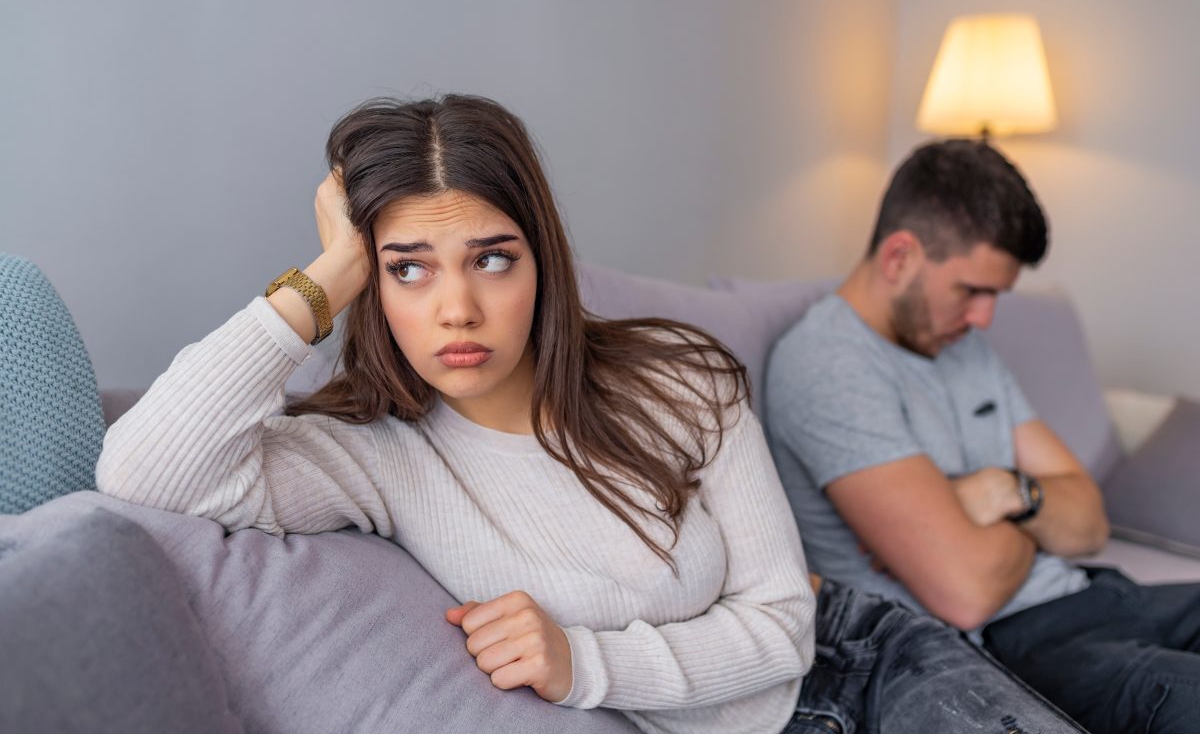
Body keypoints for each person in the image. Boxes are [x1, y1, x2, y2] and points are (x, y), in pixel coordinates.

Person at [97, 98, 1082, 734]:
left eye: (492, 257)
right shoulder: (367, 454)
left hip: (859, 663)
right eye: (408, 269)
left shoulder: (682, 378)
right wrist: (326, 279)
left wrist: (587, 665)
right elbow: (142, 472)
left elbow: (786, 626)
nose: (456, 309)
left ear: (542, 263)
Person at [765, 137, 1200, 734]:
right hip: (1017, 648)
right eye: (972, 290)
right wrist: (1039, 523)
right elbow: (966, 591)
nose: (985, 318)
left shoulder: (964, 349)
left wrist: (998, 491)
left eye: (996, 295)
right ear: (899, 257)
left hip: (1100, 594)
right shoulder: (827, 365)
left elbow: (1091, 521)